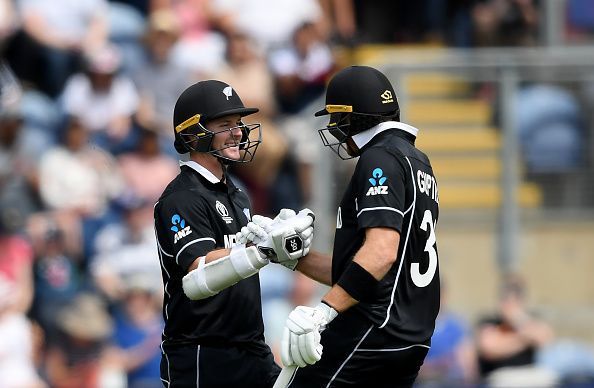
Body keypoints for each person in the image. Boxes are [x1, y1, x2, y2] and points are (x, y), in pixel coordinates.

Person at [277, 65, 441, 387]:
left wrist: (322, 312)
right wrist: (291, 257)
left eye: (338, 118)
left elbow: (381, 254)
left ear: (355, 117)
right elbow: (360, 271)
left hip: (373, 328)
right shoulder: (417, 159)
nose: (335, 128)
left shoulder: (379, 158)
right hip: (410, 335)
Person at [153, 80, 315, 387]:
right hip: (202, 354)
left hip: (252, 347)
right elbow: (199, 266)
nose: (238, 132)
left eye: (238, 124)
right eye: (225, 124)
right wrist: (263, 248)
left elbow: (246, 250)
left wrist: (282, 240)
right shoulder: (180, 198)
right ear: (192, 134)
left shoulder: (237, 194)